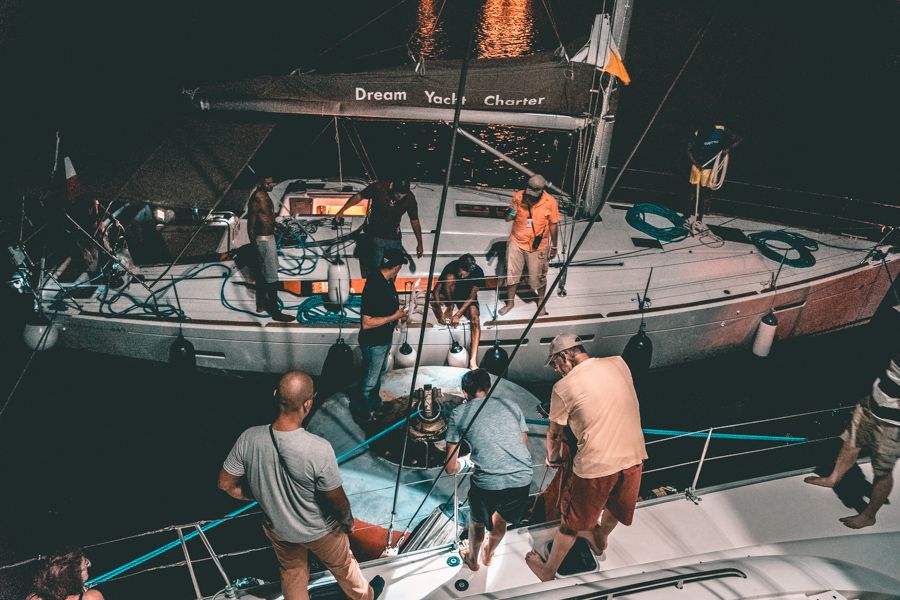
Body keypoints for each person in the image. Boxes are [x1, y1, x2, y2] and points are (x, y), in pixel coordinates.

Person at [218, 371, 382, 600]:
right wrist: (347, 521)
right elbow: (336, 497)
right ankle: (366, 597)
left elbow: (225, 483)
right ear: (308, 403)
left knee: (292, 574)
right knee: (345, 566)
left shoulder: (248, 438)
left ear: (276, 394)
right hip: (321, 531)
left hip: (280, 529)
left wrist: (262, 496)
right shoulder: (318, 448)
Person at [526, 334, 648, 581]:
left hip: (595, 466)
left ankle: (548, 571)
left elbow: (555, 433)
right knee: (615, 506)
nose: (557, 371)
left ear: (565, 356)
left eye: (555, 365)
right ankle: (600, 538)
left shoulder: (563, 387)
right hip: (634, 455)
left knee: (571, 523)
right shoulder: (618, 363)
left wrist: (554, 457)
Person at [446, 368, 533, 571]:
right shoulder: (511, 405)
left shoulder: (459, 413)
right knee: (500, 520)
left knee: (477, 523)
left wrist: (465, 462)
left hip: (488, 483)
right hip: (522, 477)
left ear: (464, 393)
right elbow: (522, 444)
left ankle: (473, 560)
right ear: (488, 388)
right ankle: (489, 555)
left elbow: (450, 468)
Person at [804, 351, 900, 529]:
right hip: (869, 406)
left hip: (892, 426)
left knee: (882, 471)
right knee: (850, 445)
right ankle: (833, 479)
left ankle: (869, 515)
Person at [355, 247, 408, 420]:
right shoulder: (374, 285)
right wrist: (395, 315)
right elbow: (367, 323)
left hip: (384, 339)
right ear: (396, 266)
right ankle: (363, 414)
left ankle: (375, 405)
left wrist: (398, 310)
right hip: (374, 342)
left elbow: (385, 304)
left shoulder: (387, 281)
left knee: (377, 375)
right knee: (369, 382)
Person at [498, 174, 559, 317]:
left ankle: (541, 301)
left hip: (537, 247)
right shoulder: (518, 196)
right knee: (512, 275)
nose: (529, 196)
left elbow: (553, 226)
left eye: (533, 194)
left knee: (538, 279)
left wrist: (554, 246)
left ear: (541, 191)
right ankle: (510, 302)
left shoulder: (551, 202)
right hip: (516, 242)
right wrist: (510, 212)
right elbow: (510, 217)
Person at [334, 178, 424, 272]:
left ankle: (388, 284)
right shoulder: (379, 188)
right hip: (376, 236)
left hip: (394, 238)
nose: (399, 196)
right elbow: (359, 196)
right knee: (376, 269)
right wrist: (342, 211)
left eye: (403, 194)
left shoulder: (409, 198)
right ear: (392, 186)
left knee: (395, 267)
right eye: (397, 192)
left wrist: (420, 243)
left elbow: (414, 220)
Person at [248, 175, 293, 322]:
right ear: (260, 183)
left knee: (263, 274)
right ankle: (275, 312)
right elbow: (251, 225)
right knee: (272, 277)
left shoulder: (265, 195)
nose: (271, 185)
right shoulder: (258, 198)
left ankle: (261, 305)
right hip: (264, 241)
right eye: (268, 183)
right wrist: (255, 247)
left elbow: (266, 216)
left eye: (272, 182)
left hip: (270, 238)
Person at [432, 253, 484, 370]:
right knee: (449, 277)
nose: (462, 275)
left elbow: (471, 297)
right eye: (461, 272)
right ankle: (450, 305)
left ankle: (473, 360)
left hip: (467, 297)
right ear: (458, 267)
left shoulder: (478, 272)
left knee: (475, 319)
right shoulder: (451, 267)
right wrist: (440, 312)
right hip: (452, 294)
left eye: (465, 274)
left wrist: (458, 315)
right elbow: (435, 291)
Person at [686, 121, 741, 223]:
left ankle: (700, 216)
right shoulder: (698, 133)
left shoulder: (721, 129)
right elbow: (688, 150)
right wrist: (696, 163)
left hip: (710, 167)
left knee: (705, 191)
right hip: (698, 165)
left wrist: (728, 149)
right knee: (692, 190)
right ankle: (687, 213)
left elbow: (738, 139)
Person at [26, 547, 104, 600]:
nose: (89, 565)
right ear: (74, 578)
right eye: (85, 564)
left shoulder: (33, 597)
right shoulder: (92, 597)